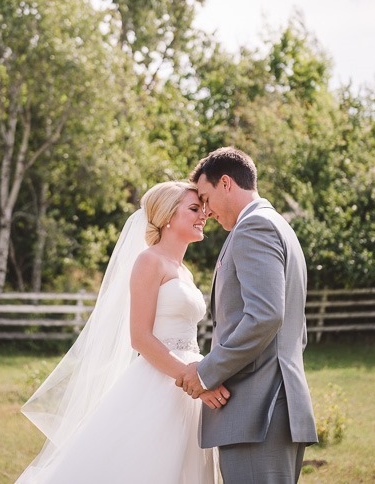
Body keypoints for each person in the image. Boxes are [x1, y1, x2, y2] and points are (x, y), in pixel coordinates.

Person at [15, 181, 229, 484]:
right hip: (162, 379)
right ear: (168, 216)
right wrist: (189, 377)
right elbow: (140, 337)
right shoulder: (149, 261)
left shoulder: (184, 271)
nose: (203, 214)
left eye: (203, 209)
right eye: (194, 208)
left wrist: (202, 375)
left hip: (191, 379)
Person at [176, 147, 318, 484]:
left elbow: (266, 317)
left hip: (259, 414)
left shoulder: (254, 228)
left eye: (206, 198)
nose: (206, 211)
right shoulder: (276, 225)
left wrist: (208, 371)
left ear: (226, 183)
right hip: (274, 407)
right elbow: (296, 331)